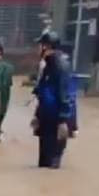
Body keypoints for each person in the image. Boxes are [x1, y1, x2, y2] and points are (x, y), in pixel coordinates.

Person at [32, 30, 71, 169]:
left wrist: (63, 120)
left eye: (40, 45)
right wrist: (37, 115)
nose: (37, 48)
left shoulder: (60, 66)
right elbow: (43, 93)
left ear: (46, 47)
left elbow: (65, 94)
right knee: (43, 165)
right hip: (46, 119)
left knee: (50, 166)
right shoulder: (48, 65)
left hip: (56, 121)